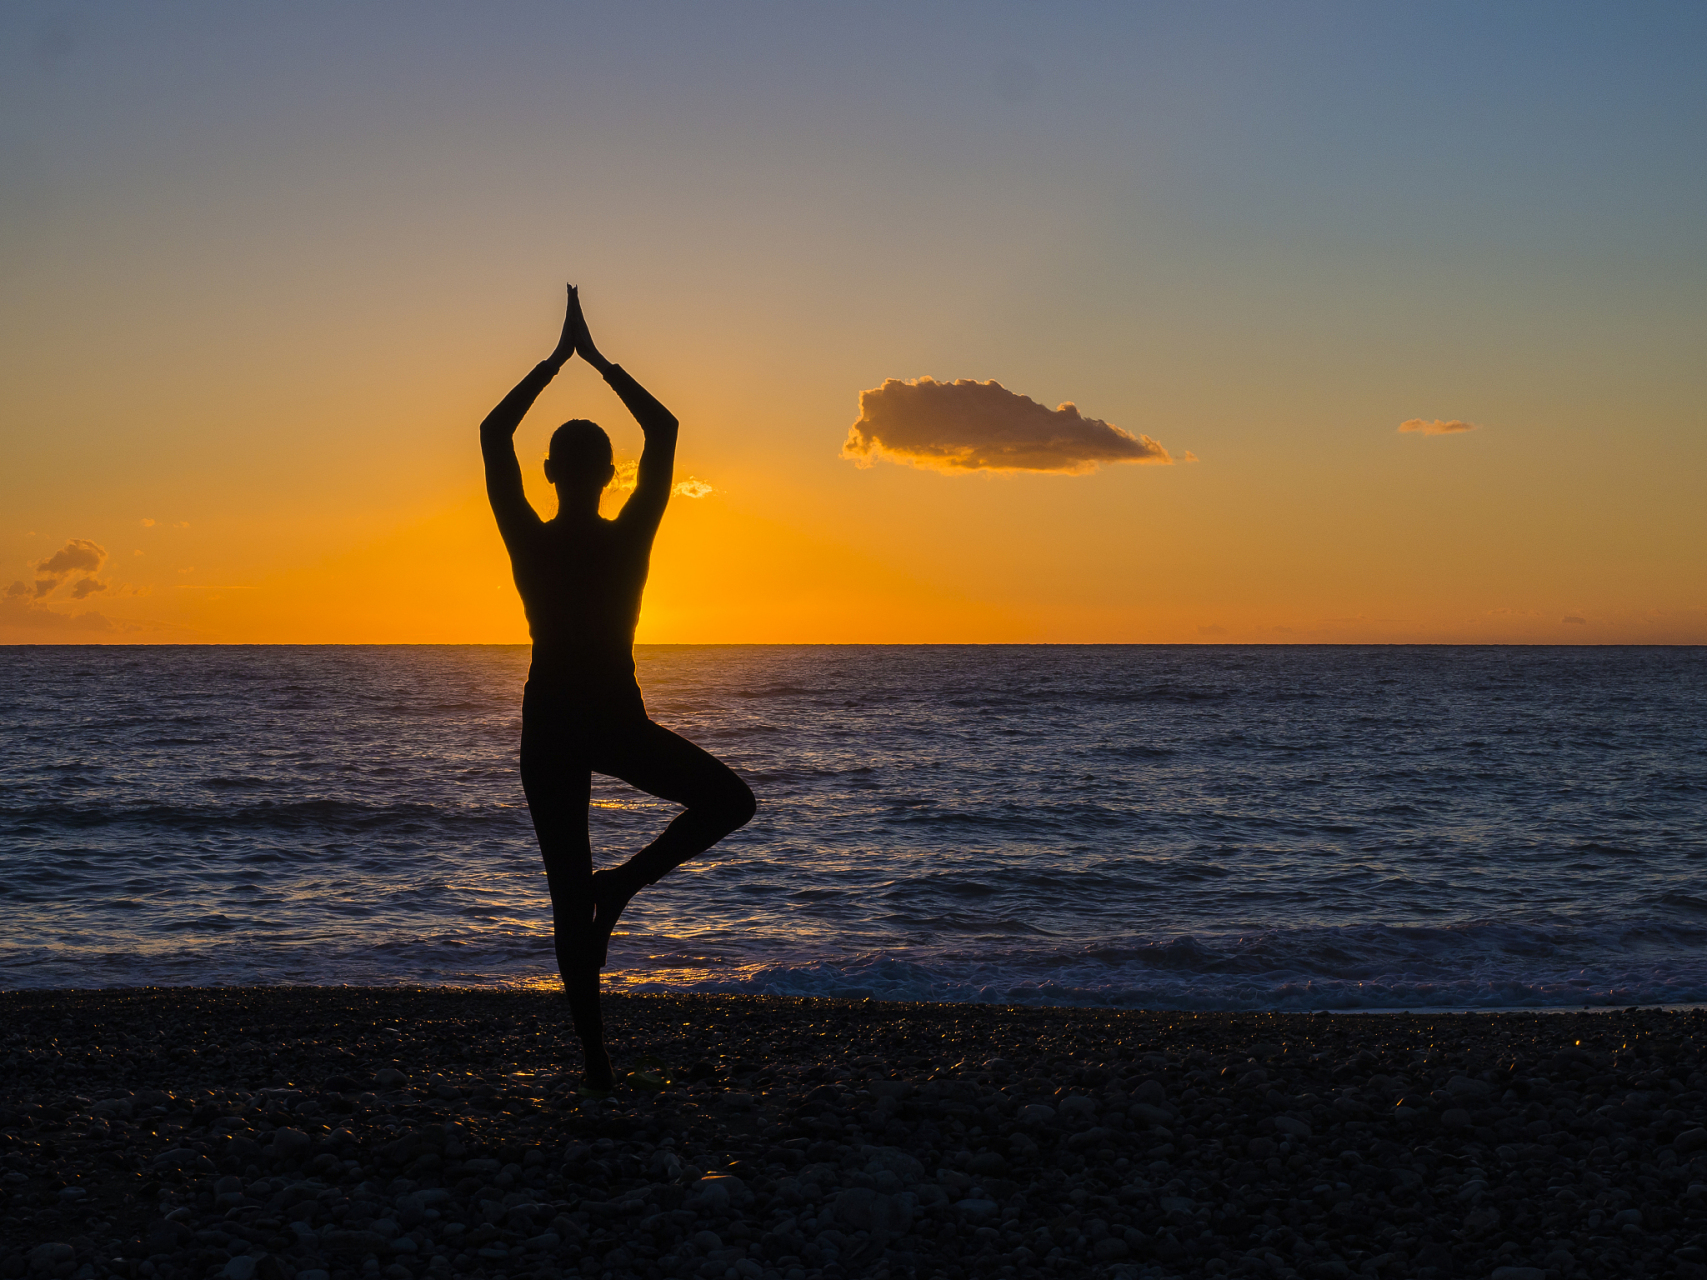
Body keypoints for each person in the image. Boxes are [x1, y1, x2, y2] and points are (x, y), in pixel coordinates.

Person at [480, 286, 756, 1091]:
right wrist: (600, 365)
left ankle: (597, 1057)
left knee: (569, 895)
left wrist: (550, 364)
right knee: (728, 804)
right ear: (607, 472)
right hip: (608, 718)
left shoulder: (526, 536)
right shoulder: (629, 534)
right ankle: (620, 894)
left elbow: (493, 434)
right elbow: (664, 431)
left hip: (553, 723)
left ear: (549, 471)